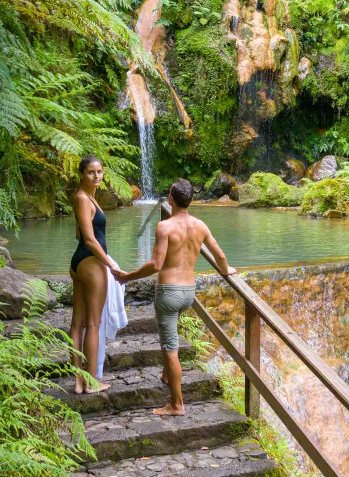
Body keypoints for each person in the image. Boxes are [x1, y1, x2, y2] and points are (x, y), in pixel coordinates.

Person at [113, 179, 235, 416]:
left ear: (171, 200)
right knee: (171, 336)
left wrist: (128, 277)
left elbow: (156, 264)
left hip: (168, 293)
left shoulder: (165, 227)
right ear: (190, 200)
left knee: (170, 347)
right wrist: (226, 270)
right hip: (188, 293)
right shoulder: (201, 225)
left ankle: (177, 404)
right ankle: (168, 375)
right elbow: (219, 254)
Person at [69, 154, 112, 395]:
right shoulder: (83, 199)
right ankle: (92, 381)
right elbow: (88, 239)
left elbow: (79, 234)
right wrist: (110, 265)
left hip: (81, 262)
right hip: (91, 262)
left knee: (78, 323)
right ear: (81, 175)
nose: (96, 176)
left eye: (99, 172)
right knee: (92, 324)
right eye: (91, 172)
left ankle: (78, 381)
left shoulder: (86, 199)